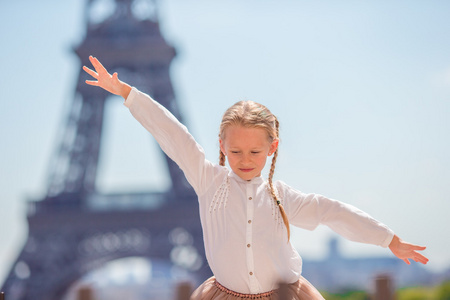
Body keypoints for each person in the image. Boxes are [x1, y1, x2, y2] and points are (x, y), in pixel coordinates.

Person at [83, 55, 428, 300]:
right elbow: (175, 136)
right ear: (222, 146)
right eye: (235, 152)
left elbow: (332, 212)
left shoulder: (283, 197)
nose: (244, 160)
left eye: (254, 152)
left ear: (272, 148)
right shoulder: (209, 181)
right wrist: (130, 94)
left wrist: (387, 239)